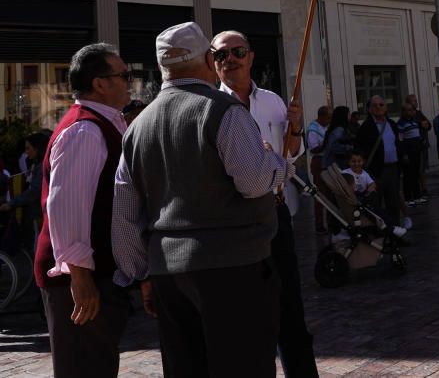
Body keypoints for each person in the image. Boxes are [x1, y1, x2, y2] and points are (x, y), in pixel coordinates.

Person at [112, 22, 292, 378]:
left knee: (186, 367)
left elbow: (123, 213)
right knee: (242, 365)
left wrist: (142, 274)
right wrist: (276, 162)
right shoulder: (222, 110)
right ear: (208, 62)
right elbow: (255, 183)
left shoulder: (137, 126)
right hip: (232, 268)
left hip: (169, 273)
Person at [209, 29, 318, 378]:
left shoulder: (273, 101)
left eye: (237, 51)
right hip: (236, 222)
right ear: (213, 63)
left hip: (276, 214)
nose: (230, 59)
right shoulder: (210, 106)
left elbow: (294, 155)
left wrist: (296, 129)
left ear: (251, 56)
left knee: (290, 309)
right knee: (246, 315)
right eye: (220, 54)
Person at [34, 43, 133, 378]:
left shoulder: (104, 123)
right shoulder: (85, 130)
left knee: (97, 364)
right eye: (124, 75)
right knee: (84, 368)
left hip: (95, 274)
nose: (129, 82)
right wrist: (80, 275)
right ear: (100, 83)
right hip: (79, 280)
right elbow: (66, 206)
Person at [354, 95, 403, 226]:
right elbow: (359, 148)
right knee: (375, 204)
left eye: (381, 104)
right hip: (376, 171)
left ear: (386, 107)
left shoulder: (392, 124)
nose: (378, 108)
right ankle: (379, 235)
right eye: (374, 105)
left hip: (393, 168)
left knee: (393, 203)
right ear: (369, 109)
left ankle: (395, 232)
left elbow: (397, 143)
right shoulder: (366, 127)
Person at [1, 130, 50, 252]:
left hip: (39, 214)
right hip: (37, 213)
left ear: (38, 148)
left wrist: (11, 203)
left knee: (38, 249)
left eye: (28, 148)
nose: (26, 153)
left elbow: (34, 191)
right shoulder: (36, 164)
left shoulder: (41, 166)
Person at [397, 103, 424, 205]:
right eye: (408, 110)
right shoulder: (401, 124)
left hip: (416, 151)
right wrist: (404, 154)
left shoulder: (415, 122)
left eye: (412, 110)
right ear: (403, 112)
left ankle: (417, 196)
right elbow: (400, 140)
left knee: (416, 174)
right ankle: (408, 198)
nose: (411, 112)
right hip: (408, 153)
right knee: (408, 175)